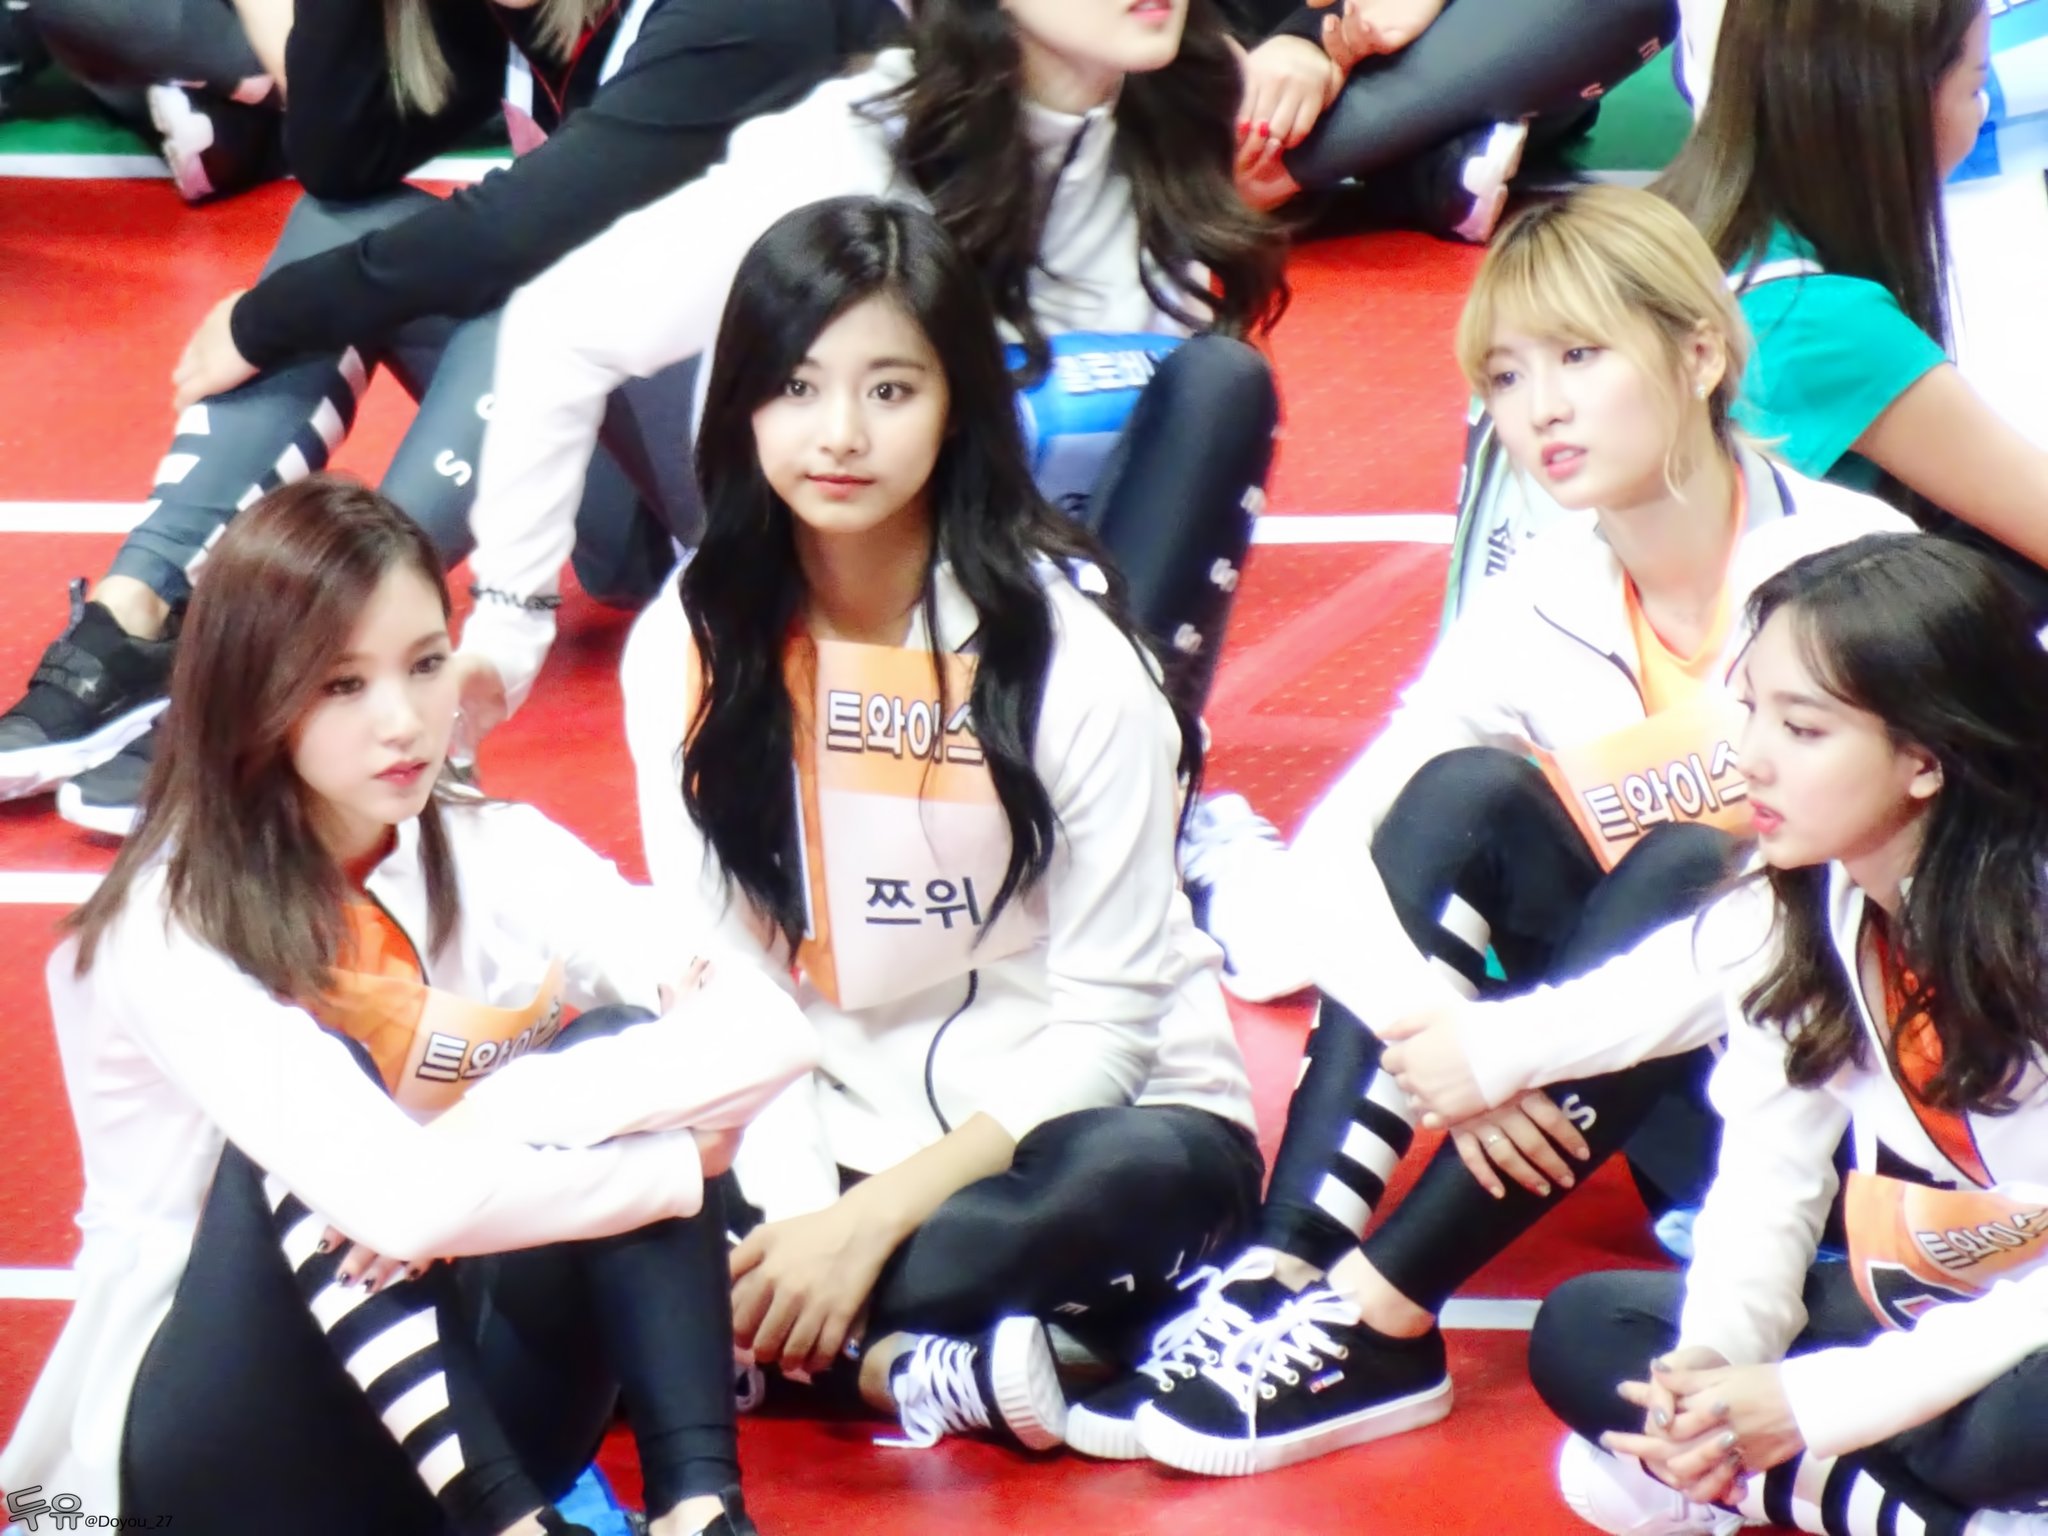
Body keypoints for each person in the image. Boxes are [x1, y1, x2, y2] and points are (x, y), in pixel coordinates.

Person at [1077, 184, 1913, 1478]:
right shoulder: (1542, 597)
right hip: (1644, 1090)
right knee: (1461, 793)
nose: (1540, 409)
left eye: (1579, 356)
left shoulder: (1856, 562)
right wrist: (1441, 1038)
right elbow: (1334, 854)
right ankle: (1286, 1264)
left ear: (1699, 353)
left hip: (1833, 1090)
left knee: (1700, 862)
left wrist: (1513, 1048)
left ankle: (1383, 1311)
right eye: (1507, 376)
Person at [0, 476, 818, 1536]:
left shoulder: (490, 848)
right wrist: (666, 1171)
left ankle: (699, 1511)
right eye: (343, 683)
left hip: (461, 1406)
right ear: (252, 694)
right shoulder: (168, 925)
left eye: (426, 664)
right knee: (316, 1150)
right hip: (220, 1449)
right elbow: (395, 1207)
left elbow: (767, 1028)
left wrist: (505, 1115)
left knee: (628, 1052)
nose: (402, 721)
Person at [620, 196, 1264, 1455]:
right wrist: (802, 1225)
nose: (839, 435)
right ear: (740, 404)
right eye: (795, 387)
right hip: (817, 1127)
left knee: (1133, 1185)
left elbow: (1105, 1032)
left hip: (1066, 1136)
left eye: (890, 390)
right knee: (598, 1136)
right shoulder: (686, 649)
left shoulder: (1074, 663)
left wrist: (859, 1237)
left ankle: (765, 1346)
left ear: (958, 404)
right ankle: (909, 1360)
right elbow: (731, 989)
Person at [0, 0, 909, 831]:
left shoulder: (751, 13)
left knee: (540, 259)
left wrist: (262, 319)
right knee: (346, 222)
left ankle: (319, 666)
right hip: (658, 484)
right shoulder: (528, 15)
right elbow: (338, 157)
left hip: (821, 511)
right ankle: (139, 614)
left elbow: (520, 233)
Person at [455, 0, 1286, 749]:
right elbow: (558, 326)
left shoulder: (1169, 128)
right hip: (848, 668)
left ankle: (1138, 783)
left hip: (1061, 655)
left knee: (1218, 388)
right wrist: (509, 626)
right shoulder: (850, 147)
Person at [1525, 534, 2048, 1536]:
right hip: (1964, 1298)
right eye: (1750, 710)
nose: (1750, 758)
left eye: (1802, 728)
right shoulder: (1809, 906)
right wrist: (1714, 1374)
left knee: (2008, 1424)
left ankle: (1799, 1486)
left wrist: (1812, 1406)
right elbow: (1769, 1180)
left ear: (1925, 759)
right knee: (1592, 1333)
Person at [1654, 0, 2048, 623]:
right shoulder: (1818, 324)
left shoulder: (1666, 220)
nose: (1982, 114)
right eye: (1975, 88)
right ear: (1894, 109)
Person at [1223, 0, 1676, 238]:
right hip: (1243, 63)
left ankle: (1280, 171)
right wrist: (1299, 43)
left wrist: (1311, 35)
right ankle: (1418, 170)